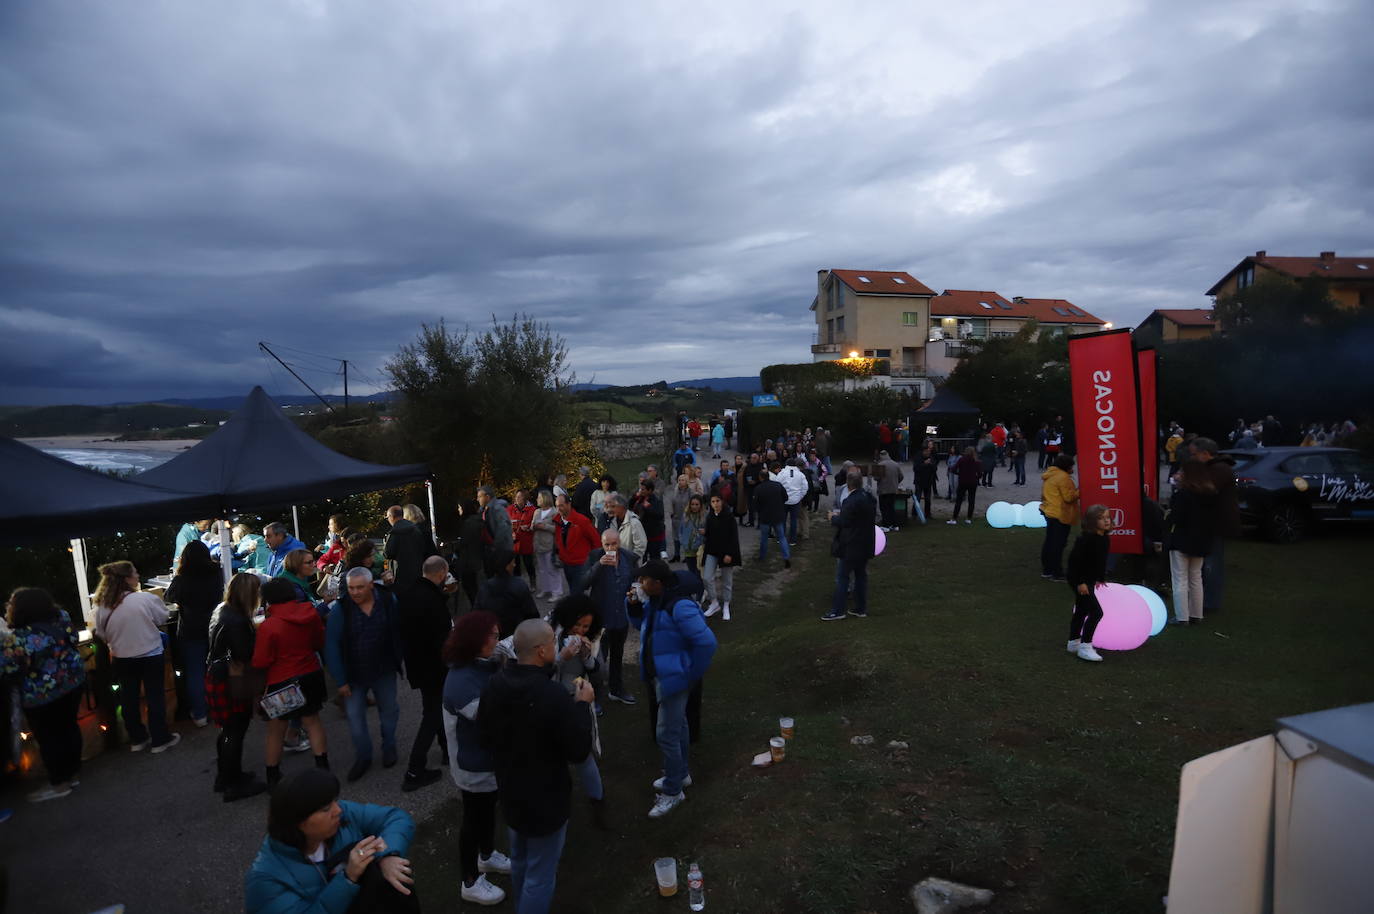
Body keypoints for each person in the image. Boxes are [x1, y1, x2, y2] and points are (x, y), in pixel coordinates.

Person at [478, 619, 594, 914]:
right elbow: (579, 749)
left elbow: (483, 733)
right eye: (553, 644)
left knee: (520, 860)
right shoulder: (552, 696)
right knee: (540, 876)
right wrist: (581, 704)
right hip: (546, 797)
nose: (557, 647)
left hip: (511, 790)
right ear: (541, 651)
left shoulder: (496, 683)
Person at [244, 768, 419, 914]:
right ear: (298, 821)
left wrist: (388, 855)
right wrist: (348, 879)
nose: (338, 810)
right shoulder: (265, 880)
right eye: (326, 808)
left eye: (334, 801)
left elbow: (396, 818)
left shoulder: (343, 815)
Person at [627, 560, 718, 818]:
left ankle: (672, 791)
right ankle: (681, 773)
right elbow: (641, 627)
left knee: (666, 734)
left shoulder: (679, 606)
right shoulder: (656, 602)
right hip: (663, 676)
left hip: (674, 680)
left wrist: (689, 674)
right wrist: (632, 606)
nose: (639, 584)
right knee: (679, 728)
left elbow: (707, 643)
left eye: (643, 580)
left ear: (657, 583)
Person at [442, 611, 511, 906]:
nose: (497, 642)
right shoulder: (461, 681)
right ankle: (469, 880)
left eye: (498, 635)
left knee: (486, 811)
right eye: (492, 637)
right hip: (473, 764)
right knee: (473, 818)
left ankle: (487, 855)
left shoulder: (482, 665)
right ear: (475, 640)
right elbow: (494, 719)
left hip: (488, 759)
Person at [1, 588, 86, 802]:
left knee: (49, 738)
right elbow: (74, 638)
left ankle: (60, 783)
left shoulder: (19, 638)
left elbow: (9, 669)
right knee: (69, 727)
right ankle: (73, 772)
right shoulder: (62, 617)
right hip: (72, 681)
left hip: (41, 695)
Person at [326, 568, 405, 783]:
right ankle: (364, 756)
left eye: (360, 587)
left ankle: (389, 747)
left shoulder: (389, 600)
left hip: (384, 669)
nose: (355, 592)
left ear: (371, 585)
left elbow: (400, 628)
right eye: (351, 588)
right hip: (354, 673)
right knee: (355, 719)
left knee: (389, 712)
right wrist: (340, 680)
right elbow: (331, 645)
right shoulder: (341, 609)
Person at [93, 561, 180, 754]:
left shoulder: (102, 606)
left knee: (129, 698)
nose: (138, 575)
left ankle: (137, 739)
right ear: (126, 579)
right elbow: (162, 617)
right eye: (134, 572)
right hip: (150, 654)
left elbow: (101, 633)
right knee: (155, 697)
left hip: (121, 657)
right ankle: (160, 739)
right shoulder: (143, 599)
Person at [252, 578, 330, 786]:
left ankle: (273, 775)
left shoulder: (269, 626)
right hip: (311, 673)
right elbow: (318, 642)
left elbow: (261, 661)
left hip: (282, 680)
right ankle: (323, 767)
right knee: (313, 722)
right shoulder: (310, 613)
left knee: (276, 730)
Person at [206, 573, 268, 802]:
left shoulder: (222, 608)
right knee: (235, 730)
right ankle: (232, 784)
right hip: (231, 679)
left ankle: (226, 777)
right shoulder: (238, 620)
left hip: (217, 674)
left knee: (228, 730)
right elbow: (245, 653)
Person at [398, 556, 454, 792]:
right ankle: (414, 769)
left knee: (434, 707)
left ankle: (446, 749)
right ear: (441, 573)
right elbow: (441, 636)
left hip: (417, 664)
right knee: (432, 714)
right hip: (433, 666)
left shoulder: (411, 593)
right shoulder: (432, 599)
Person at [551, 595, 606, 825]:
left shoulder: (591, 640)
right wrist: (560, 657)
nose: (582, 630)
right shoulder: (551, 632)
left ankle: (598, 801)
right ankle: (556, 801)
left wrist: (587, 658)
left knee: (583, 754)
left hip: (576, 700)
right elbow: (539, 667)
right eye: (578, 624)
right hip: (551, 702)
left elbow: (600, 673)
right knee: (553, 756)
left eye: (586, 626)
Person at [164, 540, 221, 727]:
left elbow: (168, 597)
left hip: (190, 629)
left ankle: (199, 714)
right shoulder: (216, 572)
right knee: (217, 668)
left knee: (195, 673)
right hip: (214, 626)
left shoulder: (182, 578)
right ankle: (220, 707)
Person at [581, 528, 640, 705]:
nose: (610, 548)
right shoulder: (594, 556)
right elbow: (583, 583)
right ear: (602, 543)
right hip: (600, 620)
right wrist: (599, 564)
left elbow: (636, 581)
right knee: (597, 660)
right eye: (607, 544)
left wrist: (635, 592)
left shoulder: (630, 558)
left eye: (614, 544)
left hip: (621, 617)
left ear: (619, 543)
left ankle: (616, 690)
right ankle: (595, 697)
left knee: (617, 656)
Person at [1191, 437, 1240, 617]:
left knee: (1212, 563)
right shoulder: (1215, 468)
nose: (1193, 458)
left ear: (1205, 453)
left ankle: (1210, 602)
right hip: (1212, 522)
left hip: (1216, 524)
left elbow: (1205, 491)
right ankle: (1205, 598)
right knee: (1208, 562)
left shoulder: (1219, 469)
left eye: (1195, 454)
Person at [822, 468, 878, 621]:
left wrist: (832, 518)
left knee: (842, 577)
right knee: (861, 576)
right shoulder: (868, 497)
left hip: (851, 545)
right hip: (866, 543)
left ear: (849, 483)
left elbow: (844, 522)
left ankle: (838, 610)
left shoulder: (850, 501)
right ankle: (860, 608)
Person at [1167, 460, 1218, 626]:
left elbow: (1176, 518)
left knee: (1180, 578)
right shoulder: (1211, 494)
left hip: (1182, 539)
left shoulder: (1183, 494)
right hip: (1202, 541)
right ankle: (1196, 614)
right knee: (1196, 577)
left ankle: (1182, 616)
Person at [1066, 504, 1113, 662]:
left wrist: (1100, 578)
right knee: (1096, 612)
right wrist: (1081, 583)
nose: (1106, 521)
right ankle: (1085, 647)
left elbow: (1099, 561)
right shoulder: (1086, 540)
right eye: (1101, 518)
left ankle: (1073, 642)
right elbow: (1075, 562)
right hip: (1079, 579)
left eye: (1107, 517)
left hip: (1089, 580)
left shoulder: (1104, 538)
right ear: (1092, 522)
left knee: (1081, 609)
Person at [475, 548, 539, 638]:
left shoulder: (484, 587)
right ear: (507, 566)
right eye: (512, 562)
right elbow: (532, 613)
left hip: (494, 637)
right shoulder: (519, 585)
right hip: (518, 635)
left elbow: (477, 613)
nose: (515, 564)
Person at [1039, 454, 1079, 580]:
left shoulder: (1050, 475)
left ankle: (1047, 570)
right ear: (1066, 466)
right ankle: (1057, 572)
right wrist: (1080, 491)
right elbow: (1068, 497)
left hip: (1049, 512)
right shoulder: (1063, 478)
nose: (1073, 469)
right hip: (1060, 514)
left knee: (1049, 543)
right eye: (1072, 466)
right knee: (1058, 544)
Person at [701, 493, 741, 620]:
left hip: (726, 552)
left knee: (727, 580)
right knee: (707, 577)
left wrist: (729, 553)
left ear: (722, 501)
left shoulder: (729, 517)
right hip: (712, 550)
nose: (715, 504)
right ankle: (714, 603)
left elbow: (733, 537)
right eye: (713, 502)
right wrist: (705, 532)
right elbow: (710, 533)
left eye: (717, 501)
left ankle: (726, 605)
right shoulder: (710, 516)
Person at [384, 505, 438, 593]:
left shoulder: (397, 531)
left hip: (403, 574)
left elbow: (388, 553)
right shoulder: (420, 530)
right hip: (421, 572)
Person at [753, 466, 791, 569]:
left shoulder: (758, 489)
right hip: (778, 515)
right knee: (782, 537)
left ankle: (762, 556)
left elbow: (755, 505)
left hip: (765, 517)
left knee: (764, 538)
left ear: (761, 478)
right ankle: (786, 557)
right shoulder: (777, 485)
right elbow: (786, 497)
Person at [529, 491, 564, 601]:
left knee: (552, 569)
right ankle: (545, 589)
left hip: (550, 545)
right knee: (542, 569)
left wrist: (544, 526)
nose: (537, 499)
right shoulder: (536, 511)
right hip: (538, 544)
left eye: (539, 497)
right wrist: (533, 526)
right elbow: (532, 526)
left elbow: (558, 529)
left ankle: (557, 592)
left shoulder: (555, 512)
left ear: (545, 498)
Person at [455, 500, 485, 609]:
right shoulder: (476, 520)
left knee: (471, 587)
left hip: (470, 561)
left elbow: (465, 542)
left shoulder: (469, 523)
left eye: (459, 507)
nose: (458, 510)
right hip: (475, 559)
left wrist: (458, 547)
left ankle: (477, 609)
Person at [601, 493, 646, 561]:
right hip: (616, 562)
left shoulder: (634, 523)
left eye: (613, 507)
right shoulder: (612, 521)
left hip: (630, 564)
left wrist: (630, 560)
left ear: (622, 507)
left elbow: (641, 546)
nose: (610, 509)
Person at [507, 490, 537, 588]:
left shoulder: (532, 509)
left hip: (527, 540)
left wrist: (528, 527)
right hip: (514, 540)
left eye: (519, 497)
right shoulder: (510, 509)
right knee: (516, 565)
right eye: (516, 496)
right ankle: (518, 585)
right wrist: (510, 530)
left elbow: (535, 523)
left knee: (528, 563)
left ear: (525, 498)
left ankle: (533, 582)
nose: (517, 498)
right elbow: (505, 522)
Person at [631, 479, 667, 562]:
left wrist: (648, 507)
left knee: (654, 558)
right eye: (640, 489)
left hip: (654, 534)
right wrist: (634, 497)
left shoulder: (656, 500)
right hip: (642, 533)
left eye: (643, 489)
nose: (641, 491)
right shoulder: (639, 499)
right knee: (642, 557)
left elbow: (660, 515)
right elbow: (630, 506)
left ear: (650, 490)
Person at [776, 457, 810, 543]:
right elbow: (805, 487)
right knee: (793, 520)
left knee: (782, 520)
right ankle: (793, 540)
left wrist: (780, 496)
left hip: (784, 500)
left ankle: (781, 538)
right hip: (795, 501)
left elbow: (777, 485)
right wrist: (799, 496)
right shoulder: (800, 474)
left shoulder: (782, 473)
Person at [476, 486, 513, 566]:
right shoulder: (483, 510)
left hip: (500, 551)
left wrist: (495, 547)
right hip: (490, 550)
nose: (477, 499)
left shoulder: (498, 509)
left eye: (479, 497)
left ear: (487, 497)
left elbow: (503, 529)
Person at [677, 494, 708, 577]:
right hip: (688, 549)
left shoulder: (705, 517)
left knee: (699, 573)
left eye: (697, 504)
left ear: (701, 505)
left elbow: (710, 532)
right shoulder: (685, 516)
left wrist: (706, 532)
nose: (694, 506)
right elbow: (680, 530)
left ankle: (701, 589)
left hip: (699, 550)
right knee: (691, 572)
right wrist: (682, 542)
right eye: (692, 504)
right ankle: (695, 588)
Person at [949, 446, 981, 525]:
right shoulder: (976, 461)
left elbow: (953, 469)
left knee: (959, 501)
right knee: (971, 500)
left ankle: (954, 518)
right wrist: (975, 477)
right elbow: (980, 474)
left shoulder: (962, 460)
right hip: (973, 482)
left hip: (963, 482)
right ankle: (968, 518)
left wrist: (959, 474)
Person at [873, 450, 904, 528]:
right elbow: (901, 476)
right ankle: (894, 524)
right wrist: (896, 483)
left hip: (883, 490)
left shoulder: (880, 465)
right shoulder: (895, 464)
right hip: (893, 490)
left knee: (884, 508)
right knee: (891, 507)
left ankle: (886, 525)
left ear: (881, 456)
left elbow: (876, 478)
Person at [668, 475, 693, 563]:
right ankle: (676, 555)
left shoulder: (690, 492)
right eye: (679, 480)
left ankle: (687, 555)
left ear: (686, 482)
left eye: (683, 480)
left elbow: (692, 504)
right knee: (675, 537)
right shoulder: (675, 491)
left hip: (687, 518)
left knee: (686, 536)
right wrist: (672, 513)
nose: (680, 482)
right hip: (676, 517)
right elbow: (672, 502)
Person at [913, 441, 938, 520]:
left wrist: (931, 464)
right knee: (918, 498)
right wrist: (924, 464)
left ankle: (928, 514)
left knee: (928, 499)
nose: (928, 453)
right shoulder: (918, 457)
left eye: (929, 452)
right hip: (919, 481)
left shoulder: (931, 458)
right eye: (927, 451)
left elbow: (935, 468)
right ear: (923, 451)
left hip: (928, 481)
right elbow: (916, 468)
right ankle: (914, 513)